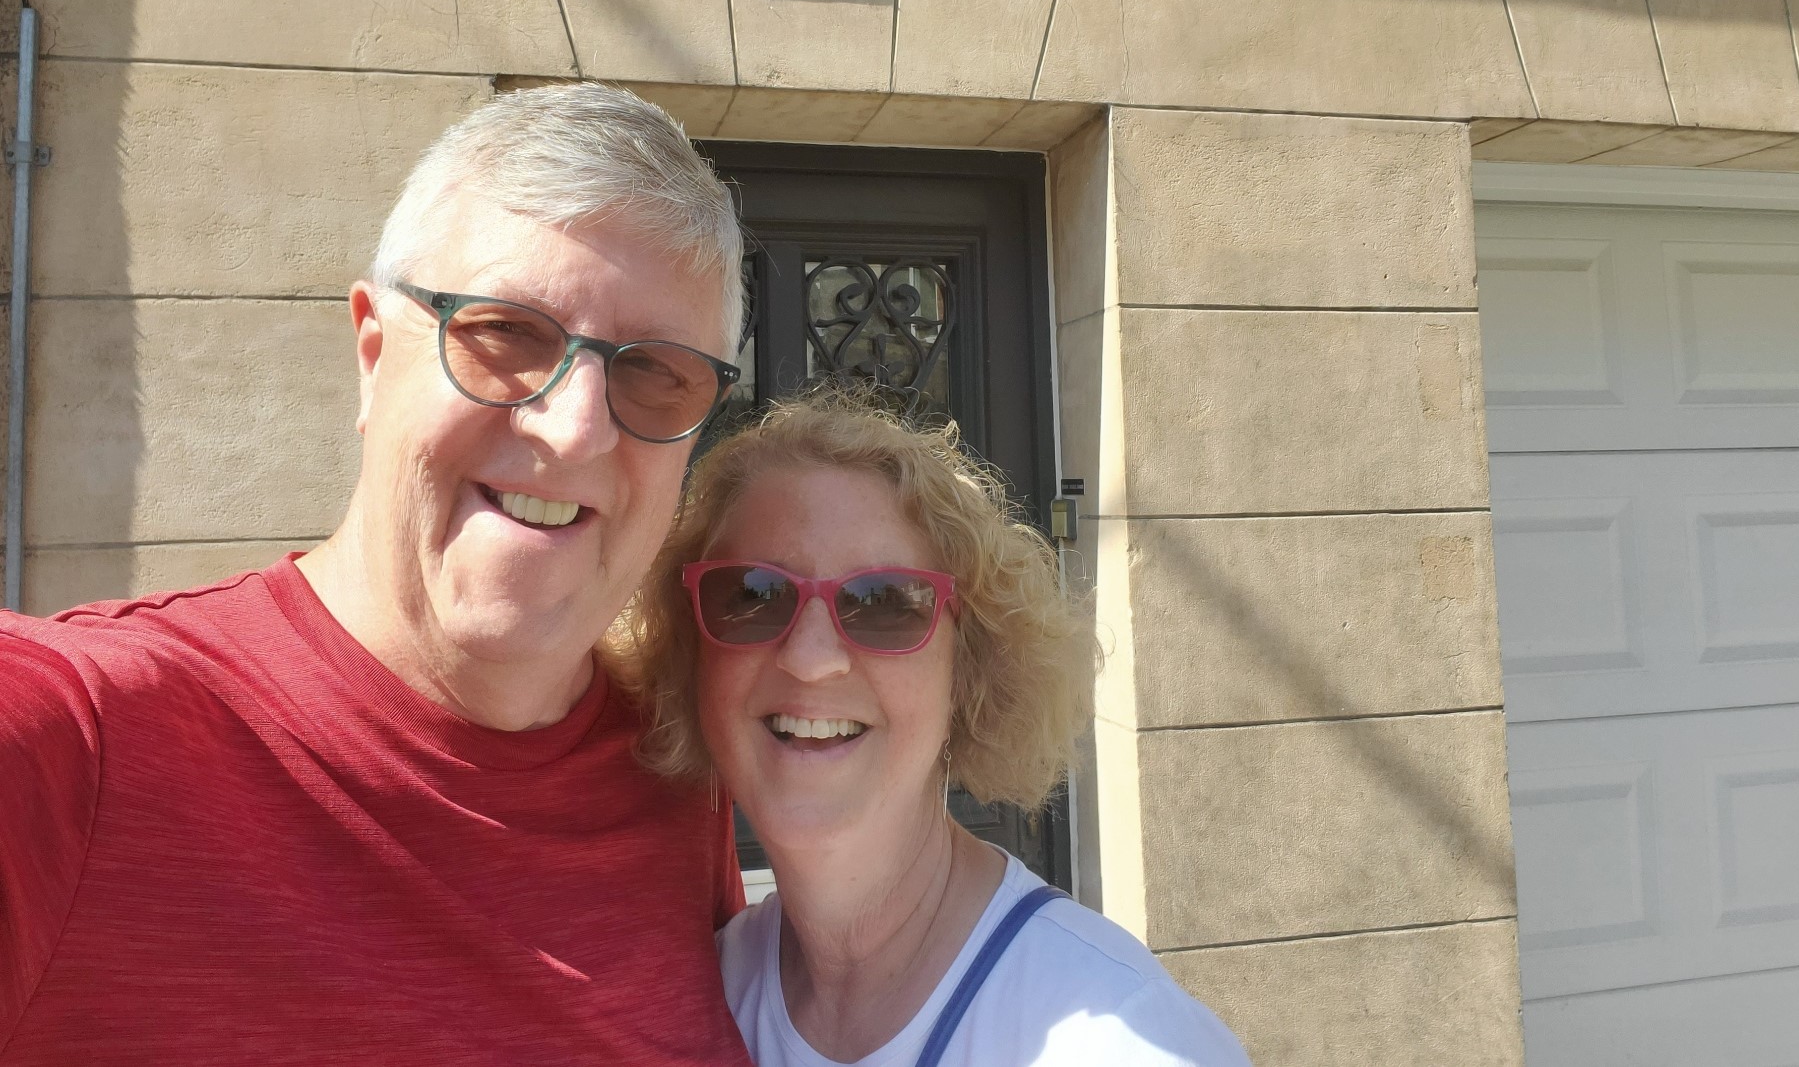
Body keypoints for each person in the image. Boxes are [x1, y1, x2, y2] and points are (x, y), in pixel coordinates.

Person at [0, 85, 755, 1064]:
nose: (573, 427)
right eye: (505, 332)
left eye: (657, 372)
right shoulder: (73, 742)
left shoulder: (676, 780)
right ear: (370, 353)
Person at [624, 394, 1253, 1066]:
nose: (810, 657)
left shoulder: (1116, 1036)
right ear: (694, 657)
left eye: (885, 602)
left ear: (969, 671)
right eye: (750, 593)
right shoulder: (703, 991)